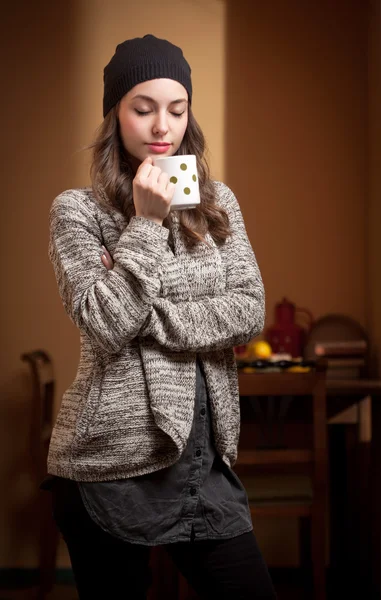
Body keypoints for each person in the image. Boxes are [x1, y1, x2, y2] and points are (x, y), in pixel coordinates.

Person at [45, 34, 276, 600]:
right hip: (108, 461)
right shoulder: (77, 211)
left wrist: (144, 310)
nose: (160, 127)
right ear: (115, 116)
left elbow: (248, 311)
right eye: (142, 109)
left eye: (176, 109)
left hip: (204, 460)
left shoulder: (218, 203)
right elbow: (104, 323)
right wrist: (146, 224)